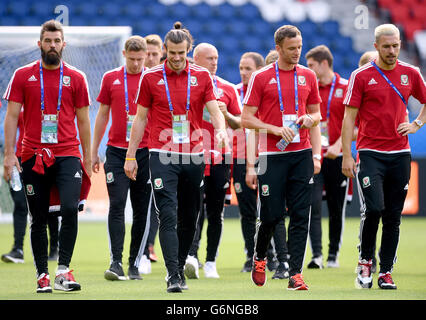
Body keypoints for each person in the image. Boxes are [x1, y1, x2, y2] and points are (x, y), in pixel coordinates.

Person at [124, 22, 227, 293]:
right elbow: (140, 119)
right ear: (164, 51)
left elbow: (215, 109)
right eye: (172, 53)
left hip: (193, 155)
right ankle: (172, 275)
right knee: (167, 215)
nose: (178, 58)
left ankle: (180, 266)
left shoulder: (202, 76)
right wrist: (131, 156)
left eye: (182, 53)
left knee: (190, 216)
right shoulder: (150, 78)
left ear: (189, 50)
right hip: (161, 154)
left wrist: (221, 131)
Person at [2, 20, 92, 293]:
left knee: (69, 208)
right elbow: (12, 116)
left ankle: (63, 270)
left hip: (67, 153)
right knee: (38, 217)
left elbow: (84, 121)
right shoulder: (22, 75)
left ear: (64, 44)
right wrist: (9, 154)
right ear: (39, 43)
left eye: (57, 41)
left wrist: (87, 158)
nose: (52, 45)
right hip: (31, 154)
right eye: (48, 41)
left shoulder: (76, 77)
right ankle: (42, 274)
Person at [341, 24, 426, 290]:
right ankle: (365, 262)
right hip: (369, 154)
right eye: (386, 46)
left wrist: (417, 124)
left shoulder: (411, 73)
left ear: (400, 44)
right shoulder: (362, 75)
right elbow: (349, 118)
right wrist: (346, 154)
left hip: (400, 154)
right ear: (376, 46)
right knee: (374, 209)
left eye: (396, 45)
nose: (392, 51)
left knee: (393, 215)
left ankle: (386, 271)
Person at [242, 25, 321, 291]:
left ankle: (295, 274)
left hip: (301, 154)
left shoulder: (308, 76)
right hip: (272, 155)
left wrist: (310, 119)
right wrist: (276, 129)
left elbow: (317, 114)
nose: (297, 52)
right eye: (291, 48)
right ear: (278, 48)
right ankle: (260, 257)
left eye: (299, 47)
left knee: (301, 215)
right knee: (272, 216)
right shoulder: (261, 77)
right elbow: (246, 118)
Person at [92, 36, 151, 281]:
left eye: (140, 59)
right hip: (116, 152)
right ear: (124, 54)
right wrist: (94, 150)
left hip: (146, 152)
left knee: (141, 209)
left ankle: (134, 263)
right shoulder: (110, 78)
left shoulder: (152, 79)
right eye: (132, 58)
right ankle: (115, 262)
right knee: (117, 205)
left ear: (146, 55)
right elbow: (102, 115)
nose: (136, 64)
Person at [184, 43, 241, 279]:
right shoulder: (186, 85)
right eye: (209, 58)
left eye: (216, 58)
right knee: (192, 210)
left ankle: (211, 261)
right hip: (193, 155)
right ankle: (191, 257)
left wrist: (225, 114)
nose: (214, 62)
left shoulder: (227, 88)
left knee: (216, 212)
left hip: (220, 158)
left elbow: (240, 123)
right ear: (195, 59)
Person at [234, 52, 289, 278]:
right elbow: (249, 130)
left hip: (280, 157)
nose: (244, 73)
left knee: (276, 212)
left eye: (248, 68)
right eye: (241, 68)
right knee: (255, 213)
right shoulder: (240, 91)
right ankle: (256, 255)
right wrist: (249, 165)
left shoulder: (284, 91)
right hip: (250, 158)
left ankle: (280, 259)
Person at [304, 45, 350, 269]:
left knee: (335, 207)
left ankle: (333, 254)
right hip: (315, 157)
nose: (308, 69)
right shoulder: (308, 89)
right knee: (313, 205)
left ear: (324, 64)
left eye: (311, 65)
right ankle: (317, 255)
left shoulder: (346, 87)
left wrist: (338, 144)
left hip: (338, 156)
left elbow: (359, 125)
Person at [1, 107, 60, 264]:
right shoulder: (20, 97)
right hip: (22, 157)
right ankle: (18, 249)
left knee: (50, 205)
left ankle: (54, 248)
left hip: (49, 155)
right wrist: (8, 156)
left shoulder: (56, 97)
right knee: (21, 203)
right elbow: (10, 121)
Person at [142, 33, 163, 266]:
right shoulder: (136, 79)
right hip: (140, 149)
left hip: (161, 148)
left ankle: (150, 244)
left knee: (159, 200)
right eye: (146, 54)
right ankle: (143, 247)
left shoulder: (164, 80)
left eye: (154, 54)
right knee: (142, 202)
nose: (149, 58)